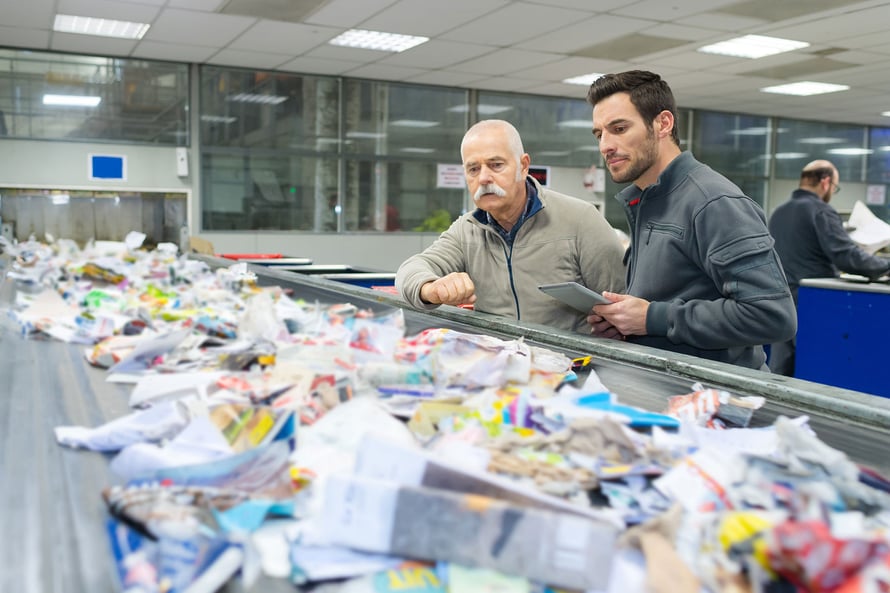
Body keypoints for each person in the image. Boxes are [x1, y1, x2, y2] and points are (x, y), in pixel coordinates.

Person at [585, 70, 796, 370]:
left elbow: (773, 315)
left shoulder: (713, 202)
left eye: (619, 128)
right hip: (665, 391)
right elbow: (668, 300)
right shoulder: (646, 201)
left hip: (716, 401)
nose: (605, 145)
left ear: (663, 124)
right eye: (599, 134)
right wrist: (625, 323)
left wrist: (651, 318)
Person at [396, 119, 626, 334]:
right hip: (499, 365)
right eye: (473, 169)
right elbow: (410, 270)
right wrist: (431, 288)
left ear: (523, 166)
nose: (484, 178)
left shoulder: (580, 219)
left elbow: (622, 303)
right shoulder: (468, 229)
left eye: (496, 165)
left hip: (573, 366)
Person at [767, 159, 890, 376]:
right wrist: (885, 266)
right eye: (835, 187)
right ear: (826, 182)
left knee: (781, 370)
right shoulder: (820, 210)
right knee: (816, 371)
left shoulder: (778, 212)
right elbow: (847, 256)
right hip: (814, 305)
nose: (833, 192)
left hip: (780, 300)